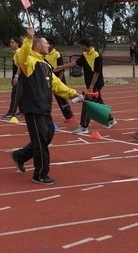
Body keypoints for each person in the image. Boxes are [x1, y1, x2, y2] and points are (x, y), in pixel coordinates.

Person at [10, 27, 83, 185]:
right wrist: (28, 38)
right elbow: (20, 57)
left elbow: (57, 85)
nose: (48, 46)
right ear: (37, 46)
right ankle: (40, 174)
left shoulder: (46, 66)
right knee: (41, 140)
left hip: (44, 108)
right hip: (33, 108)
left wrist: (73, 94)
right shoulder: (29, 62)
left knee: (47, 134)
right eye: (45, 43)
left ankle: (20, 156)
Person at [55, 37, 116, 134]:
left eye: (80, 45)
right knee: (98, 103)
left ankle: (84, 126)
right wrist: (62, 67)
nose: (80, 47)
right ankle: (110, 119)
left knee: (87, 103)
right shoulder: (85, 55)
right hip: (90, 84)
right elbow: (76, 63)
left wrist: (91, 86)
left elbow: (97, 72)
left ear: (84, 46)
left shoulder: (96, 56)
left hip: (96, 84)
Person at [45, 37, 76, 123]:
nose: (46, 45)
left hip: (59, 78)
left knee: (61, 99)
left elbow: (61, 69)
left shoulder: (57, 54)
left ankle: (70, 115)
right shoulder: (45, 54)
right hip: (50, 78)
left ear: (51, 45)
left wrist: (59, 80)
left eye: (47, 44)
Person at [2, 36, 23, 119]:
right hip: (18, 76)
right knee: (20, 95)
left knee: (15, 94)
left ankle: (11, 112)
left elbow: (20, 66)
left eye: (12, 42)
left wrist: (16, 77)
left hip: (21, 77)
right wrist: (13, 76)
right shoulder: (15, 53)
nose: (10, 44)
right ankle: (23, 111)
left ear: (17, 43)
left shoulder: (19, 52)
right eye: (10, 42)